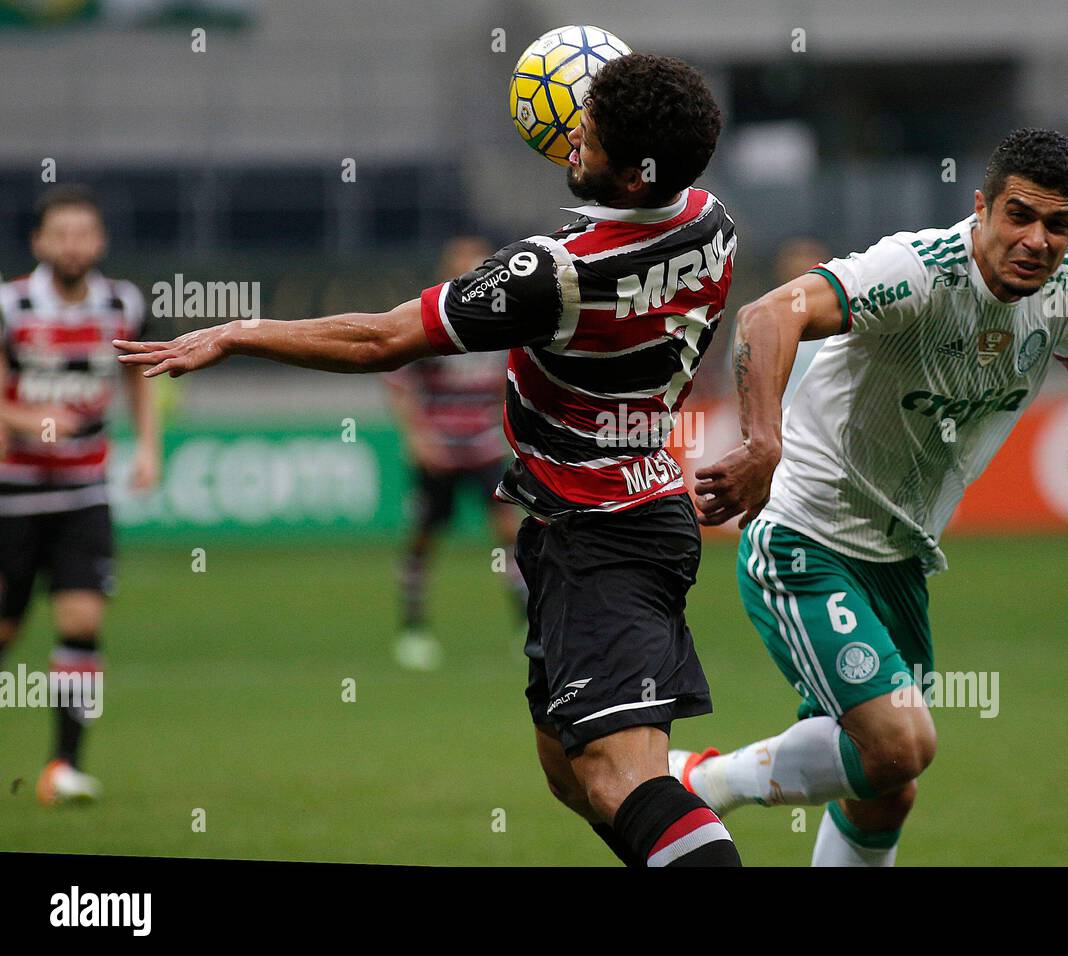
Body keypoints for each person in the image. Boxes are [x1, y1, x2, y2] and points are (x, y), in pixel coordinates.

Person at [116, 53, 743, 866]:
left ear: (631, 177)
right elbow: (642, 170)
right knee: (570, 772)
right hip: (604, 514)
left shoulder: (555, 273)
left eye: (589, 137)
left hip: (605, 534)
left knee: (618, 780)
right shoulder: (711, 220)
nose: (571, 138)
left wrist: (240, 333)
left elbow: (380, 339)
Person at [679, 128, 1068, 866]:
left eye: (1059, 223)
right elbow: (767, 316)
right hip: (805, 538)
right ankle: (706, 779)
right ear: (981, 208)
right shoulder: (917, 271)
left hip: (898, 561)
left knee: (888, 789)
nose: (1037, 240)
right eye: (1019, 215)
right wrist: (763, 443)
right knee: (900, 745)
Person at [0, 184, 161, 805]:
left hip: (83, 491)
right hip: (11, 493)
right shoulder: (12, 306)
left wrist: (148, 447)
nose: (73, 245)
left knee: (82, 620)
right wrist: (35, 422)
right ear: (40, 242)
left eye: (83, 233)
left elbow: (141, 378)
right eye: (59, 234)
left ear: (100, 241)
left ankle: (62, 766)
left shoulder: (122, 303)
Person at [385, 235, 527, 671]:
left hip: (484, 447)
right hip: (440, 452)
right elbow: (399, 381)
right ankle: (412, 629)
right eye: (462, 264)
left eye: (476, 265)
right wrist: (417, 436)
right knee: (424, 537)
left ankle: (526, 625)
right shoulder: (431, 319)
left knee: (510, 532)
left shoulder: (502, 320)